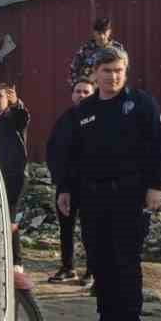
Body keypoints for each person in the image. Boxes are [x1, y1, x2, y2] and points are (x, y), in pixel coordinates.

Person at [56, 45, 161, 321]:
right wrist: (65, 188)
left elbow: (158, 147)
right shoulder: (85, 110)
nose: (113, 76)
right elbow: (73, 154)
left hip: (129, 195)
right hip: (93, 197)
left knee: (124, 260)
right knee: (100, 259)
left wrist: (156, 186)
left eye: (118, 70)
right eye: (106, 71)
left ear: (125, 72)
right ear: (95, 73)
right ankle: (106, 319)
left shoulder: (141, 104)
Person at [45, 77, 97, 285]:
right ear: (72, 95)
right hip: (66, 186)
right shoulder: (65, 119)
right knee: (66, 228)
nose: (82, 95)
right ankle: (68, 267)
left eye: (86, 92)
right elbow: (54, 151)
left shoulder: (99, 118)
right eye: (78, 91)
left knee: (90, 229)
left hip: (91, 185)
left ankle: (92, 272)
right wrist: (61, 182)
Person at [0, 82, 30, 262]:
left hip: (14, 178)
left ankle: (16, 262)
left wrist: (17, 103)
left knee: (10, 221)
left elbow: (23, 118)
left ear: (7, 99)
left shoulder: (13, 118)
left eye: (0, 96)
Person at [68, 16, 124, 90]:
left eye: (104, 33)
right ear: (94, 32)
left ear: (109, 31)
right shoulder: (85, 50)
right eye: (99, 33)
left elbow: (122, 69)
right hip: (90, 90)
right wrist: (78, 86)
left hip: (111, 88)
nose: (102, 36)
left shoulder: (117, 48)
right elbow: (74, 70)